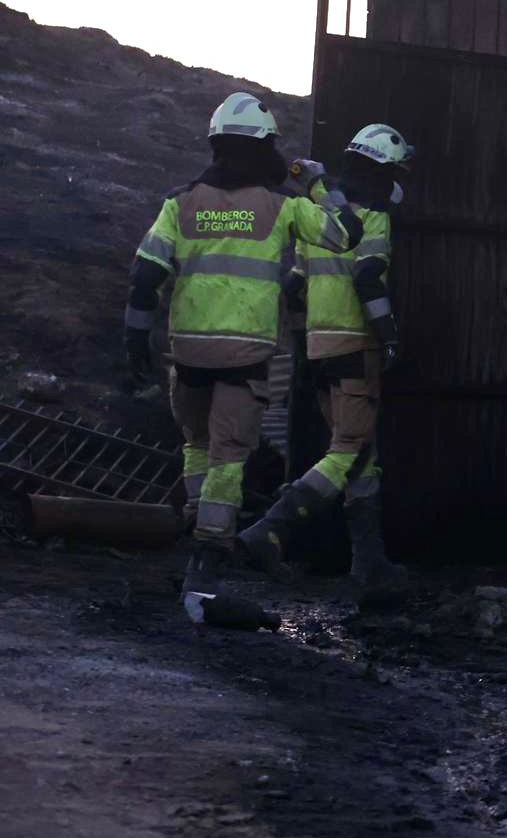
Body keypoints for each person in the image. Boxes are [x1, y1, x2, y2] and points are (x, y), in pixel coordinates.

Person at [124, 92, 364, 598]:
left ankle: (195, 529)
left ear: (215, 145)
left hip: (187, 353)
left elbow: (145, 274)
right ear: (264, 147)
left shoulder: (179, 202)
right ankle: (210, 550)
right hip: (245, 356)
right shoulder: (284, 205)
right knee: (229, 456)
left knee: (195, 446)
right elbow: (347, 233)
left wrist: (134, 337)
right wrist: (319, 183)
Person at [238, 124, 412, 605]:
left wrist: (301, 334)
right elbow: (369, 279)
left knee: (359, 454)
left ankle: (369, 563)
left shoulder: (320, 216)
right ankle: (268, 531)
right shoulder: (373, 218)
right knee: (348, 449)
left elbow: (295, 285)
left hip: (318, 352)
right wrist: (390, 337)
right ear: (382, 170)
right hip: (356, 347)